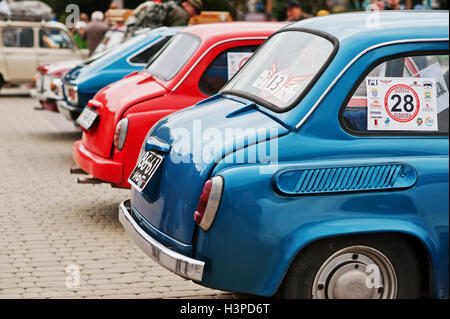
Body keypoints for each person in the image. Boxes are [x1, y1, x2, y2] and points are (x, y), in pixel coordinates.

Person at [125, 0, 202, 37]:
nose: (194, 14)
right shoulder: (181, 14)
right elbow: (176, 37)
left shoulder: (171, 5)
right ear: (187, 4)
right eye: (195, 10)